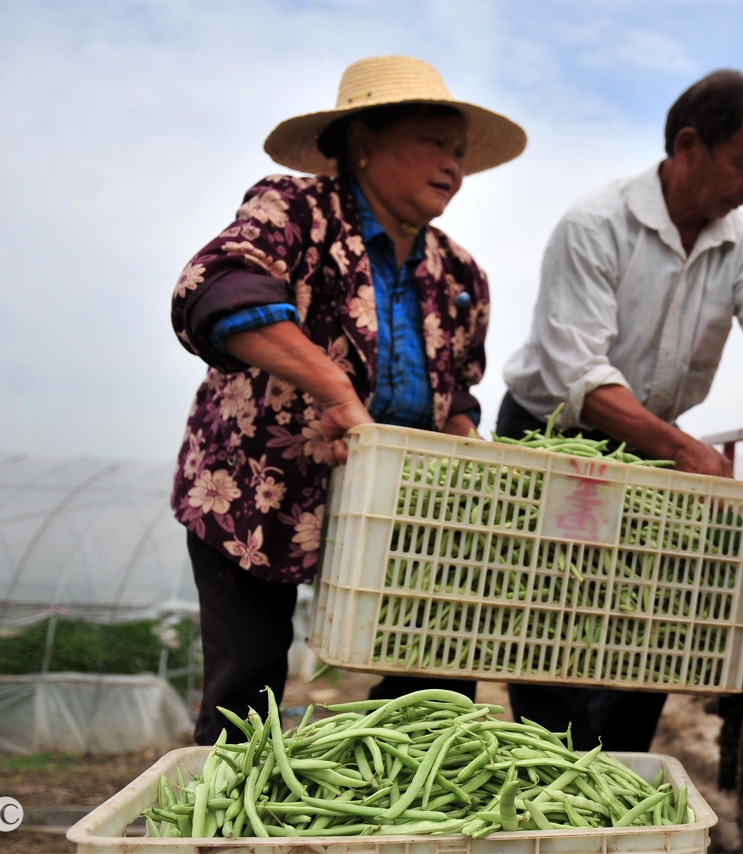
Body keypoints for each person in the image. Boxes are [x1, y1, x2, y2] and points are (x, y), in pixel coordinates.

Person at [497, 69, 743, 752]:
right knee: (547, 616)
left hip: (643, 440)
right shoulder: (596, 224)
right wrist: (683, 449)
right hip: (555, 437)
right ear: (688, 146)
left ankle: (620, 774)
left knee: (649, 619)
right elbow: (581, 378)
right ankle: (548, 771)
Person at [170, 55, 526, 746]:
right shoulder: (293, 211)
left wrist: (470, 451)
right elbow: (216, 287)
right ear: (363, 140)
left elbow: (457, 391)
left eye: (459, 153)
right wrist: (333, 388)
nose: (453, 166)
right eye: (433, 142)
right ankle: (233, 840)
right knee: (248, 692)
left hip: (396, 507)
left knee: (434, 693)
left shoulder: (458, 273)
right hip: (259, 490)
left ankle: (399, 820)